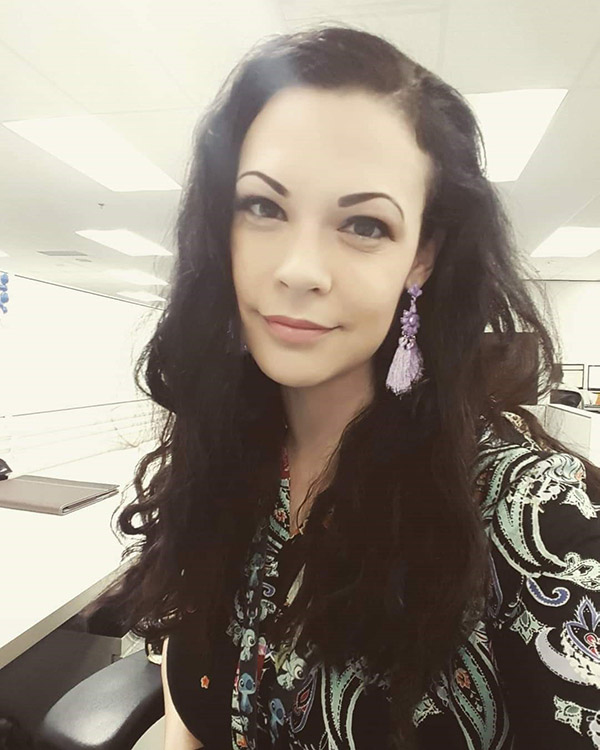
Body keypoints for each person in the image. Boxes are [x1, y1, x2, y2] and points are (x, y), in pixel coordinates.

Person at [89, 25, 600, 749]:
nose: (300, 268)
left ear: (420, 257)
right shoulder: (222, 461)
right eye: (263, 207)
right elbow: (189, 717)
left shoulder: (531, 514)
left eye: (363, 224)